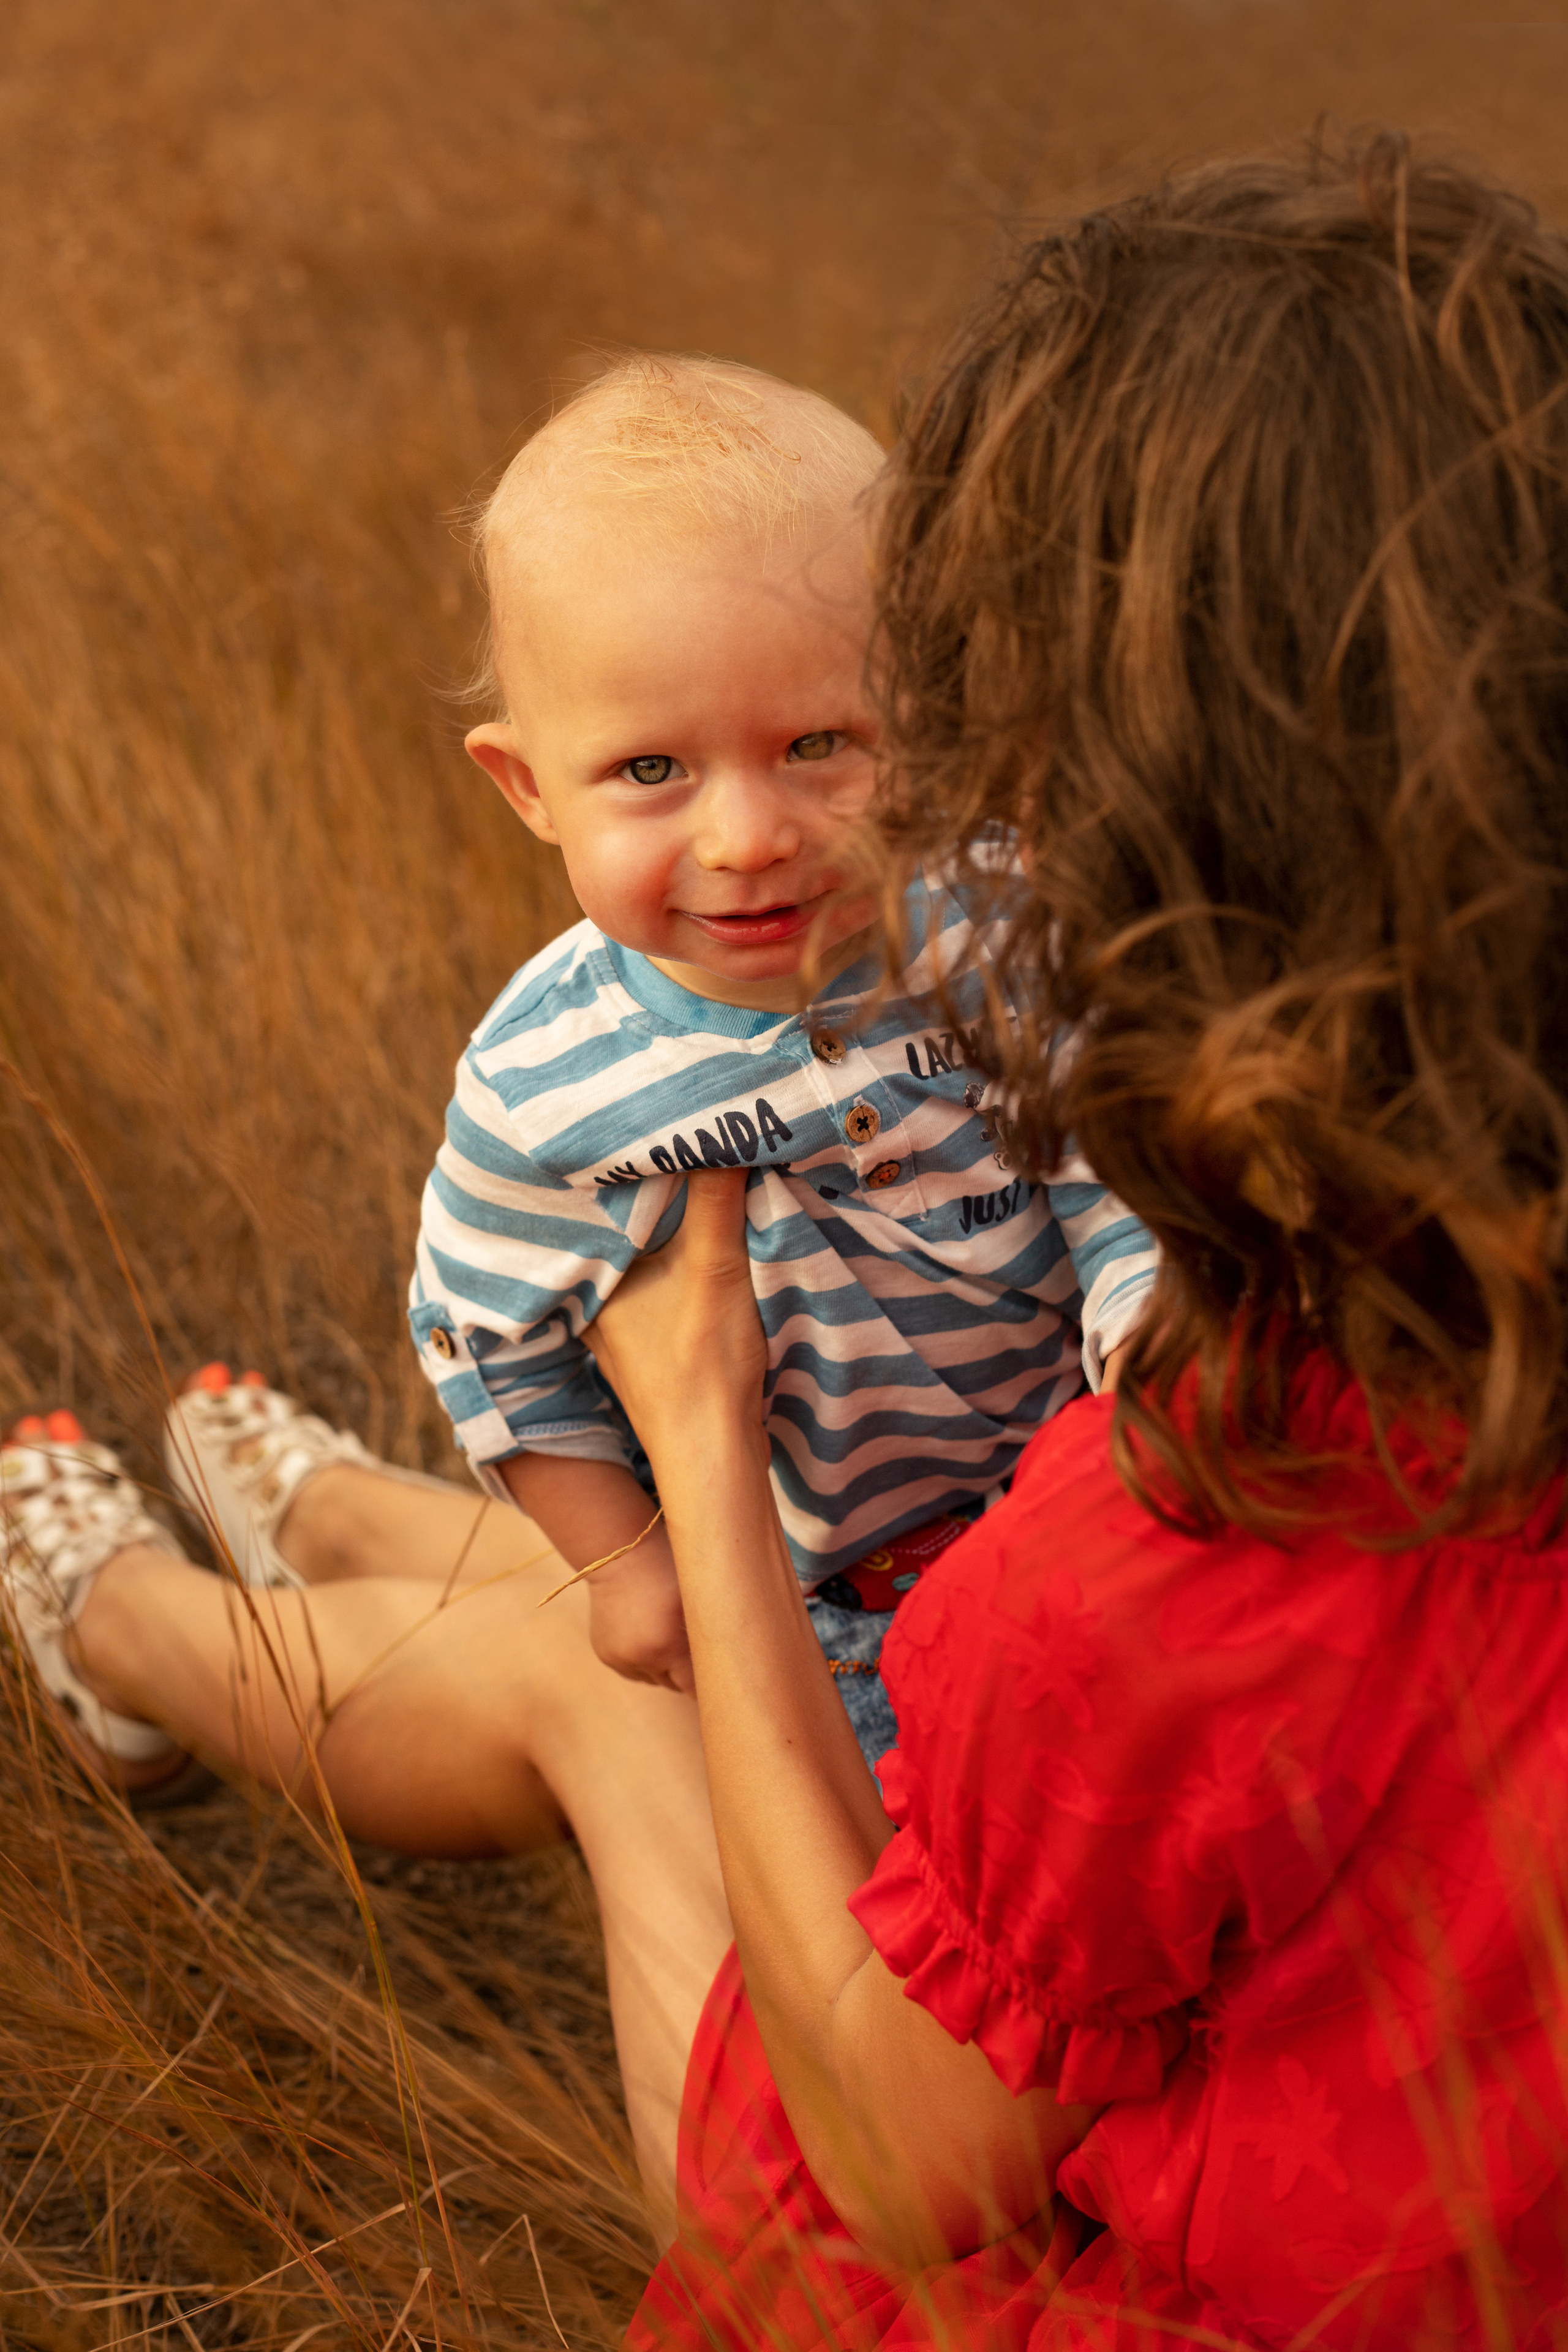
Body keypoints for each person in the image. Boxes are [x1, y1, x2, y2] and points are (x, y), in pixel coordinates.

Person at [574, 137, 1568, 2345]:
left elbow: (906, 2166)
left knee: (611, 1732)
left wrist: (704, 1448)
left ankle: (117, 1600)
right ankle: (216, 1557)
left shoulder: (1198, 1534)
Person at [412, 352, 1155, 1722]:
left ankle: (327, 1510)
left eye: (820, 743)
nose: (747, 837)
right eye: (651, 770)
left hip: (1086, 1517)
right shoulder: (539, 1087)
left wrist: (1149, 1336)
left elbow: (1107, 1159)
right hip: (829, 1615)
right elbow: (483, 1339)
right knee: (886, 1899)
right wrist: (624, 1564)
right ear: (527, 788)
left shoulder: (996, 926)